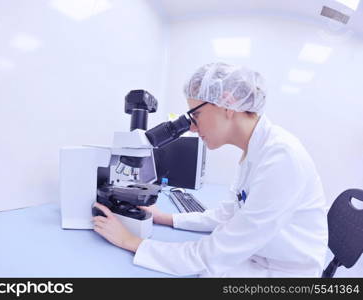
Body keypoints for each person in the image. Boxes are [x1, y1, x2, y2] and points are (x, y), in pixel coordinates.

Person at [93, 62, 328, 277]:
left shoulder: (281, 157)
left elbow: (214, 253)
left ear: (227, 104)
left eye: (196, 115)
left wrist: (132, 242)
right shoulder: (255, 150)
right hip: (259, 256)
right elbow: (227, 216)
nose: (193, 128)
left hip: (285, 272)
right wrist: (165, 218)